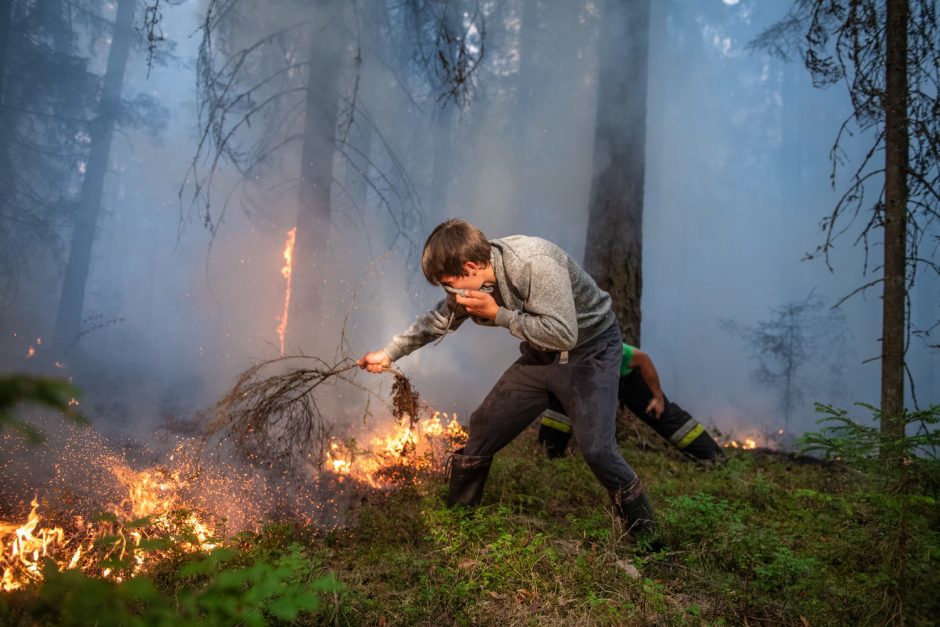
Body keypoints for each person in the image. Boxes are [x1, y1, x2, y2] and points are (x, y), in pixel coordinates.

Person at [358, 219, 655, 536]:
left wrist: (498, 314)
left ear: (470, 267)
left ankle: (648, 539)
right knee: (484, 425)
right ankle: (457, 527)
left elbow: (565, 334)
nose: (450, 293)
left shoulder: (533, 263)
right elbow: (441, 317)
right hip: (543, 354)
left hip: (590, 352)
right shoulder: (473, 282)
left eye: (449, 285)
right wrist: (390, 353)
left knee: (598, 451)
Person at [538, 344, 725, 461]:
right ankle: (548, 455)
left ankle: (712, 456)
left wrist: (657, 396)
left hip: (628, 379)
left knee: (659, 413)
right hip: (592, 382)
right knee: (558, 409)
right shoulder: (560, 352)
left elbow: (642, 359)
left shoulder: (604, 348)